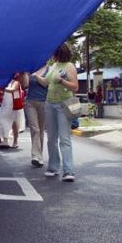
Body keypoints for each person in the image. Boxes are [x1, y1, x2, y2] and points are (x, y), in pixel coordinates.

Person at [33, 43, 79, 182]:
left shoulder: (69, 66)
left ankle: (68, 171)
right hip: (50, 104)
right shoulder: (53, 66)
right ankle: (53, 167)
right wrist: (36, 76)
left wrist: (62, 81)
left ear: (58, 52)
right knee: (51, 138)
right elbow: (46, 83)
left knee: (64, 138)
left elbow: (75, 87)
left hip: (63, 104)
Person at [26, 66, 49, 167]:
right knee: (35, 129)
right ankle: (35, 156)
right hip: (30, 102)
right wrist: (24, 74)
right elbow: (25, 85)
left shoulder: (49, 69)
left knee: (40, 130)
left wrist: (35, 76)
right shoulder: (30, 68)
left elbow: (46, 83)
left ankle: (40, 156)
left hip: (44, 102)